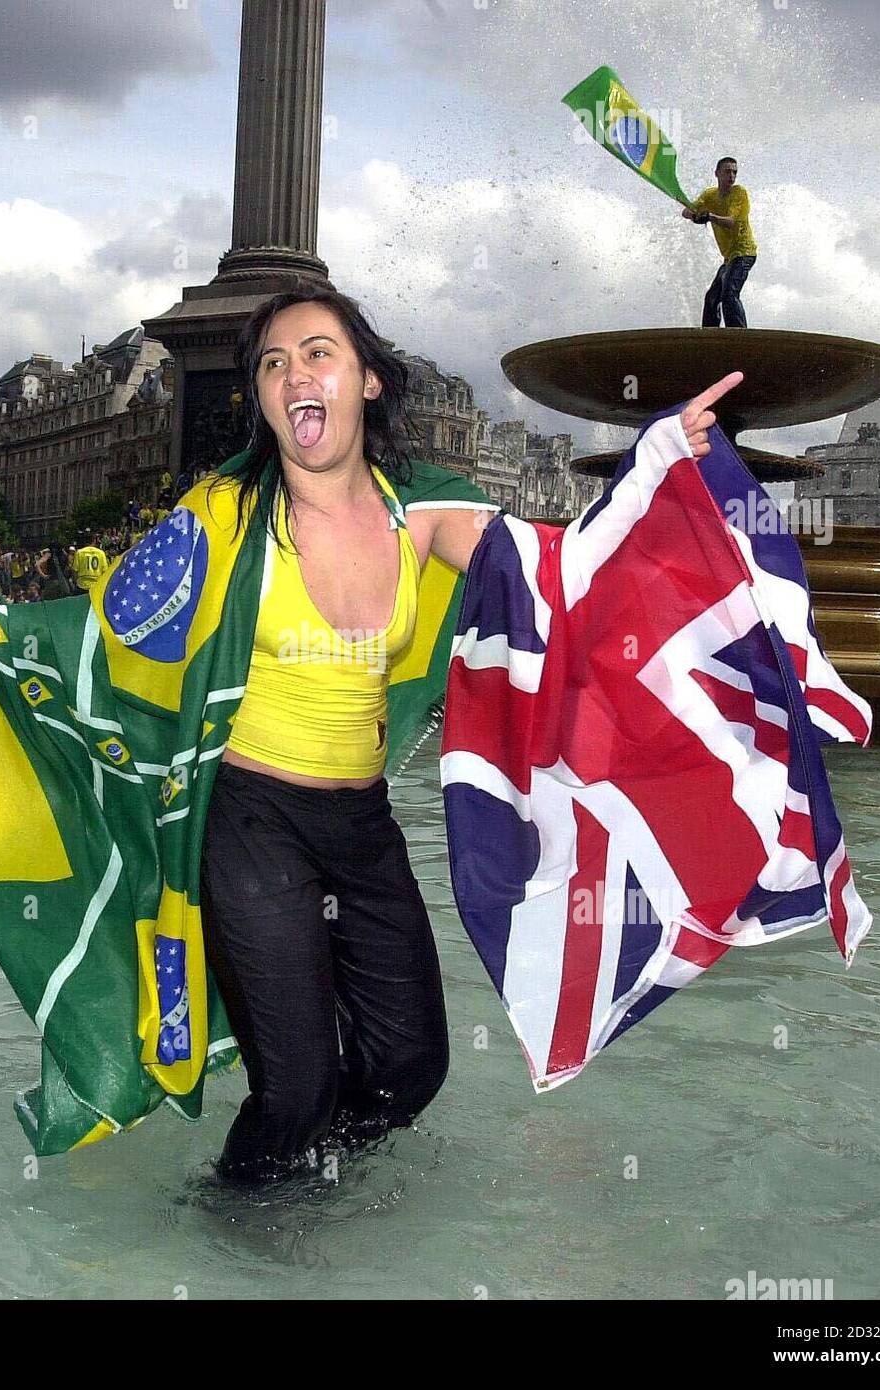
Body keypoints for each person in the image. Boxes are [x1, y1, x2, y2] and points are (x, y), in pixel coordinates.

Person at [193, 286, 737, 1183]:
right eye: (272, 362)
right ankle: (230, 1227)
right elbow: (102, 648)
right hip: (253, 820)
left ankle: (315, 1183)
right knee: (293, 1089)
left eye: (317, 353)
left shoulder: (423, 517)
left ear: (366, 381)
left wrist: (660, 459)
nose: (295, 373)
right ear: (260, 396)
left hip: (361, 829)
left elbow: (566, 569)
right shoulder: (222, 515)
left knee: (410, 1068)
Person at [683, 156, 757, 328]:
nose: (732, 176)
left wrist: (709, 216)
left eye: (734, 172)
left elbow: (731, 221)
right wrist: (695, 216)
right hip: (729, 258)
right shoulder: (710, 195)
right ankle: (710, 335)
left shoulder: (739, 193)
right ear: (717, 173)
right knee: (711, 298)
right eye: (727, 172)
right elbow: (686, 211)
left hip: (744, 253)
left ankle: (738, 335)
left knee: (729, 294)